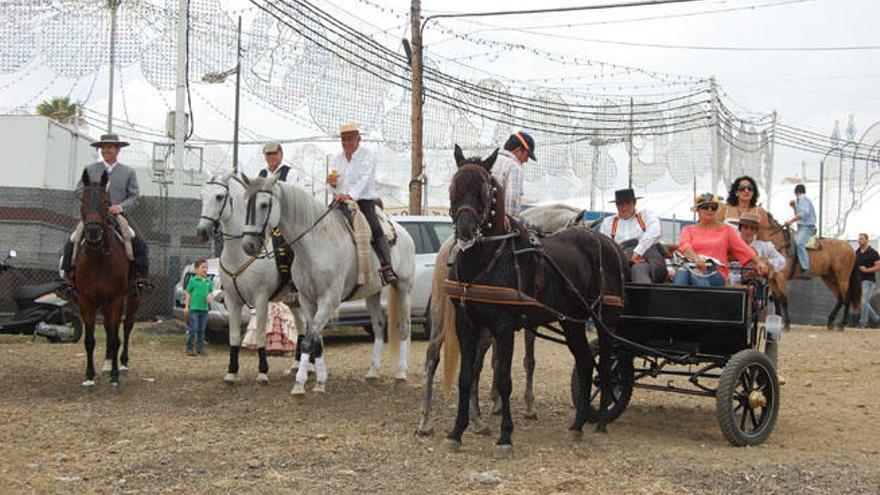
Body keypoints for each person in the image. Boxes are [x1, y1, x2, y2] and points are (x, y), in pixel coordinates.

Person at [61, 133, 150, 293]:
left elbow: (134, 196)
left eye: (109, 147)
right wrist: (92, 202)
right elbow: (79, 190)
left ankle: (139, 278)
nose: (105, 150)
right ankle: (68, 277)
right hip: (94, 216)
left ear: (117, 150)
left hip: (118, 215)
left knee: (140, 243)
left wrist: (120, 207)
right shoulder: (90, 169)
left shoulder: (128, 172)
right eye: (103, 147)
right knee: (72, 240)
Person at [327, 123, 397, 284]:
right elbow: (333, 183)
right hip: (340, 201)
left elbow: (365, 180)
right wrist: (331, 184)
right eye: (343, 140)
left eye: (350, 139)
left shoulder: (368, 156)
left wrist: (350, 195)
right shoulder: (337, 159)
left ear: (359, 139)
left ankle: (387, 266)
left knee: (375, 227)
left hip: (363, 201)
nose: (346, 143)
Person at [674, 193, 768, 287]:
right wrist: (697, 259)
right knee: (682, 273)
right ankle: (679, 301)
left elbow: (743, 248)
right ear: (698, 209)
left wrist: (758, 262)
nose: (709, 209)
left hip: (716, 272)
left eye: (713, 207)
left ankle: (704, 300)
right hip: (692, 267)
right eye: (705, 207)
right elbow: (685, 246)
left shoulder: (727, 230)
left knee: (697, 274)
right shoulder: (688, 229)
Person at [599, 188, 666, 284]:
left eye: (627, 204)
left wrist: (637, 252)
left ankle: (644, 298)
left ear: (634, 203)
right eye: (620, 204)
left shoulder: (646, 215)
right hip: (621, 260)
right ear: (616, 205)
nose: (624, 208)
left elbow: (654, 232)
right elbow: (605, 247)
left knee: (638, 269)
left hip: (650, 258)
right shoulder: (608, 222)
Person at [729, 212, 786, 285]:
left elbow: (782, 261)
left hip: (758, 285)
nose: (748, 231)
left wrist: (767, 264)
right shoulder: (731, 246)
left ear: (756, 231)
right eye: (745, 227)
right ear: (740, 229)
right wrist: (741, 277)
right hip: (734, 286)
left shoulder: (765, 247)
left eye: (752, 229)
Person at [491, 131, 536, 221]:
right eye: (527, 155)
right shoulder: (514, 166)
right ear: (518, 150)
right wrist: (513, 223)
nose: (526, 160)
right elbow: (512, 199)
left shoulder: (490, 159)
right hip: (499, 225)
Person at [717, 175, 771, 241]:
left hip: (751, 250)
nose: (746, 191)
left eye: (750, 188)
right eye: (742, 188)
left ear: (753, 192)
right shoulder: (725, 210)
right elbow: (714, 234)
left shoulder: (760, 212)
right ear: (736, 192)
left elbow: (764, 238)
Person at [784, 184, 817, 279]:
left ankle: (806, 268)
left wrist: (790, 221)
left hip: (807, 227)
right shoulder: (801, 201)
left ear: (796, 192)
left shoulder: (802, 199)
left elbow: (803, 214)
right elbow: (799, 214)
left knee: (799, 244)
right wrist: (794, 207)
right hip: (802, 227)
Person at [184, 259, 213, 356]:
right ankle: (190, 348)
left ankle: (200, 348)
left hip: (204, 309)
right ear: (196, 269)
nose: (205, 269)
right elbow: (188, 293)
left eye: (206, 267)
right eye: (203, 267)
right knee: (193, 328)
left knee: (202, 329)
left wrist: (210, 296)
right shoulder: (193, 281)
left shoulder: (208, 281)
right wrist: (187, 306)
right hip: (194, 309)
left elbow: (210, 293)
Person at [854, 233, 880, 328]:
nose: (859, 240)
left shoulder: (873, 252)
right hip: (859, 281)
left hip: (869, 281)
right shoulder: (857, 252)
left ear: (866, 240)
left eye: (861, 239)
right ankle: (877, 319)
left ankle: (863, 323)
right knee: (863, 302)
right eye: (858, 239)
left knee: (863, 302)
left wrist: (866, 270)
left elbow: (878, 266)